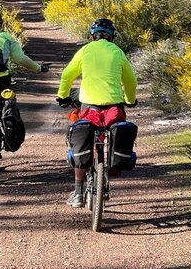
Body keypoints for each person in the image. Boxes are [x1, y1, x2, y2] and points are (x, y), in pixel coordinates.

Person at [56, 18, 137, 208]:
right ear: (112, 37)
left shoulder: (85, 50)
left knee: (82, 135)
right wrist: (130, 100)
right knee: (113, 132)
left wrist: (62, 96)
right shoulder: (118, 52)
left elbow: (67, 75)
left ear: (92, 35)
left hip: (89, 106)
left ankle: (77, 193)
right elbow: (131, 81)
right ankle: (108, 172)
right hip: (114, 107)